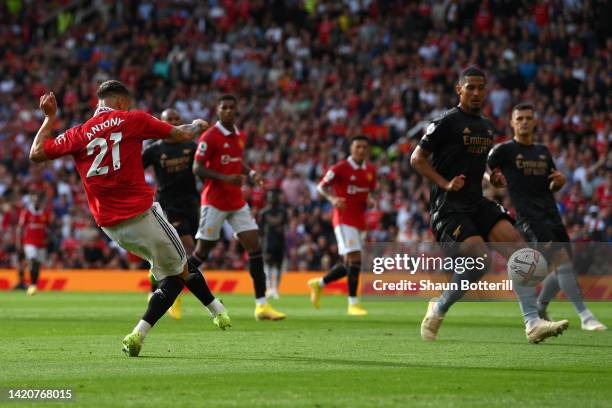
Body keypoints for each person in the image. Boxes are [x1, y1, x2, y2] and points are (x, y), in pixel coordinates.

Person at [30, 80, 230, 357]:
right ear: (122, 102)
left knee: (174, 269)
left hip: (110, 227)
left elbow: (36, 153)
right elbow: (182, 135)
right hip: (141, 214)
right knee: (180, 272)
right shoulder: (131, 119)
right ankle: (152, 329)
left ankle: (214, 311)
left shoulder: (78, 133)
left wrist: (50, 117)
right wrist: (198, 125)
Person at [410, 67, 569, 343]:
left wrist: (491, 176)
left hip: (477, 202)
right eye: (469, 87)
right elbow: (417, 159)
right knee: (478, 260)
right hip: (448, 207)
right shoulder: (446, 122)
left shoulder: (486, 127)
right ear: (459, 90)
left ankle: (532, 323)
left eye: (480, 87)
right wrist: (445, 183)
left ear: (486, 91)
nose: (475, 92)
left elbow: (477, 164)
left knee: (517, 248)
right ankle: (438, 308)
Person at [487, 102, 606, 331]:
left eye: (528, 118)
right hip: (529, 217)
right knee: (561, 259)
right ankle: (585, 316)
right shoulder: (504, 150)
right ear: (512, 122)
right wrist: (491, 179)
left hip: (551, 213)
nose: (524, 122)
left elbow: (550, 183)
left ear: (535, 122)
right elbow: (485, 168)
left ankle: (540, 308)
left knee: (564, 265)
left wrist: (557, 183)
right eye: (519, 118)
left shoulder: (542, 152)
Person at [189, 94, 286, 321]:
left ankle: (262, 305)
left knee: (255, 245)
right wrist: (225, 177)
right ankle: (170, 288)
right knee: (202, 252)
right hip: (214, 201)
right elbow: (197, 168)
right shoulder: (210, 136)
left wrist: (250, 173)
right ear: (218, 110)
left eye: (232, 107)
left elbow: (235, 160)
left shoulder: (240, 135)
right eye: (225, 107)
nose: (229, 111)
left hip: (236, 201)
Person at [142, 108, 200, 320]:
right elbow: (135, 167)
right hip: (168, 206)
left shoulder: (191, 146)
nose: (174, 123)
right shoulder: (155, 149)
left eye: (177, 119)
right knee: (185, 248)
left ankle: (155, 279)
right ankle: (173, 296)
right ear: (162, 123)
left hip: (192, 204)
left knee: (182, 249)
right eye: (170, 120)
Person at [308, 136, 376, 316]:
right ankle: (353, 303)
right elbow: (320, 187)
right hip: (344, 218)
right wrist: (332, 199)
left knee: (349, 264)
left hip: (360, 220)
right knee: (355, 260)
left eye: (364, 147)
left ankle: (319, 283)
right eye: (357, 147)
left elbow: (369, 193)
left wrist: (370, 201)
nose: (361, 150)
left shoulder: (370, 169)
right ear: (351, 149)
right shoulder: (340, 168)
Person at [16, 193, 52, 296]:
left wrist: (48, 238)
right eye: (35, 200)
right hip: (29, 242)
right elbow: (20, 227)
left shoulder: (45, 213)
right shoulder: (27, 212)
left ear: (40, 202)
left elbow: (48, 227)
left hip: (41, 243)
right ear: (32, 201)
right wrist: (18, 242)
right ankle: (31, 285)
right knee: (32, 259)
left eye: (38, 201)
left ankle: (34, 285)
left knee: (38, 264)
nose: (36, 202)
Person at [259, 189, 288, 299]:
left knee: (278, 266)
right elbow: (261, 231)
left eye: (274, 197)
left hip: (280, 242)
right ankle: (269, 288)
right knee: (268, 265)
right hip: (268, 243)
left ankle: (276, 288)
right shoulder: (264, 213)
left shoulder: (283, 212)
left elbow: (286, 227)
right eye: (271, 197)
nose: (273, 199)